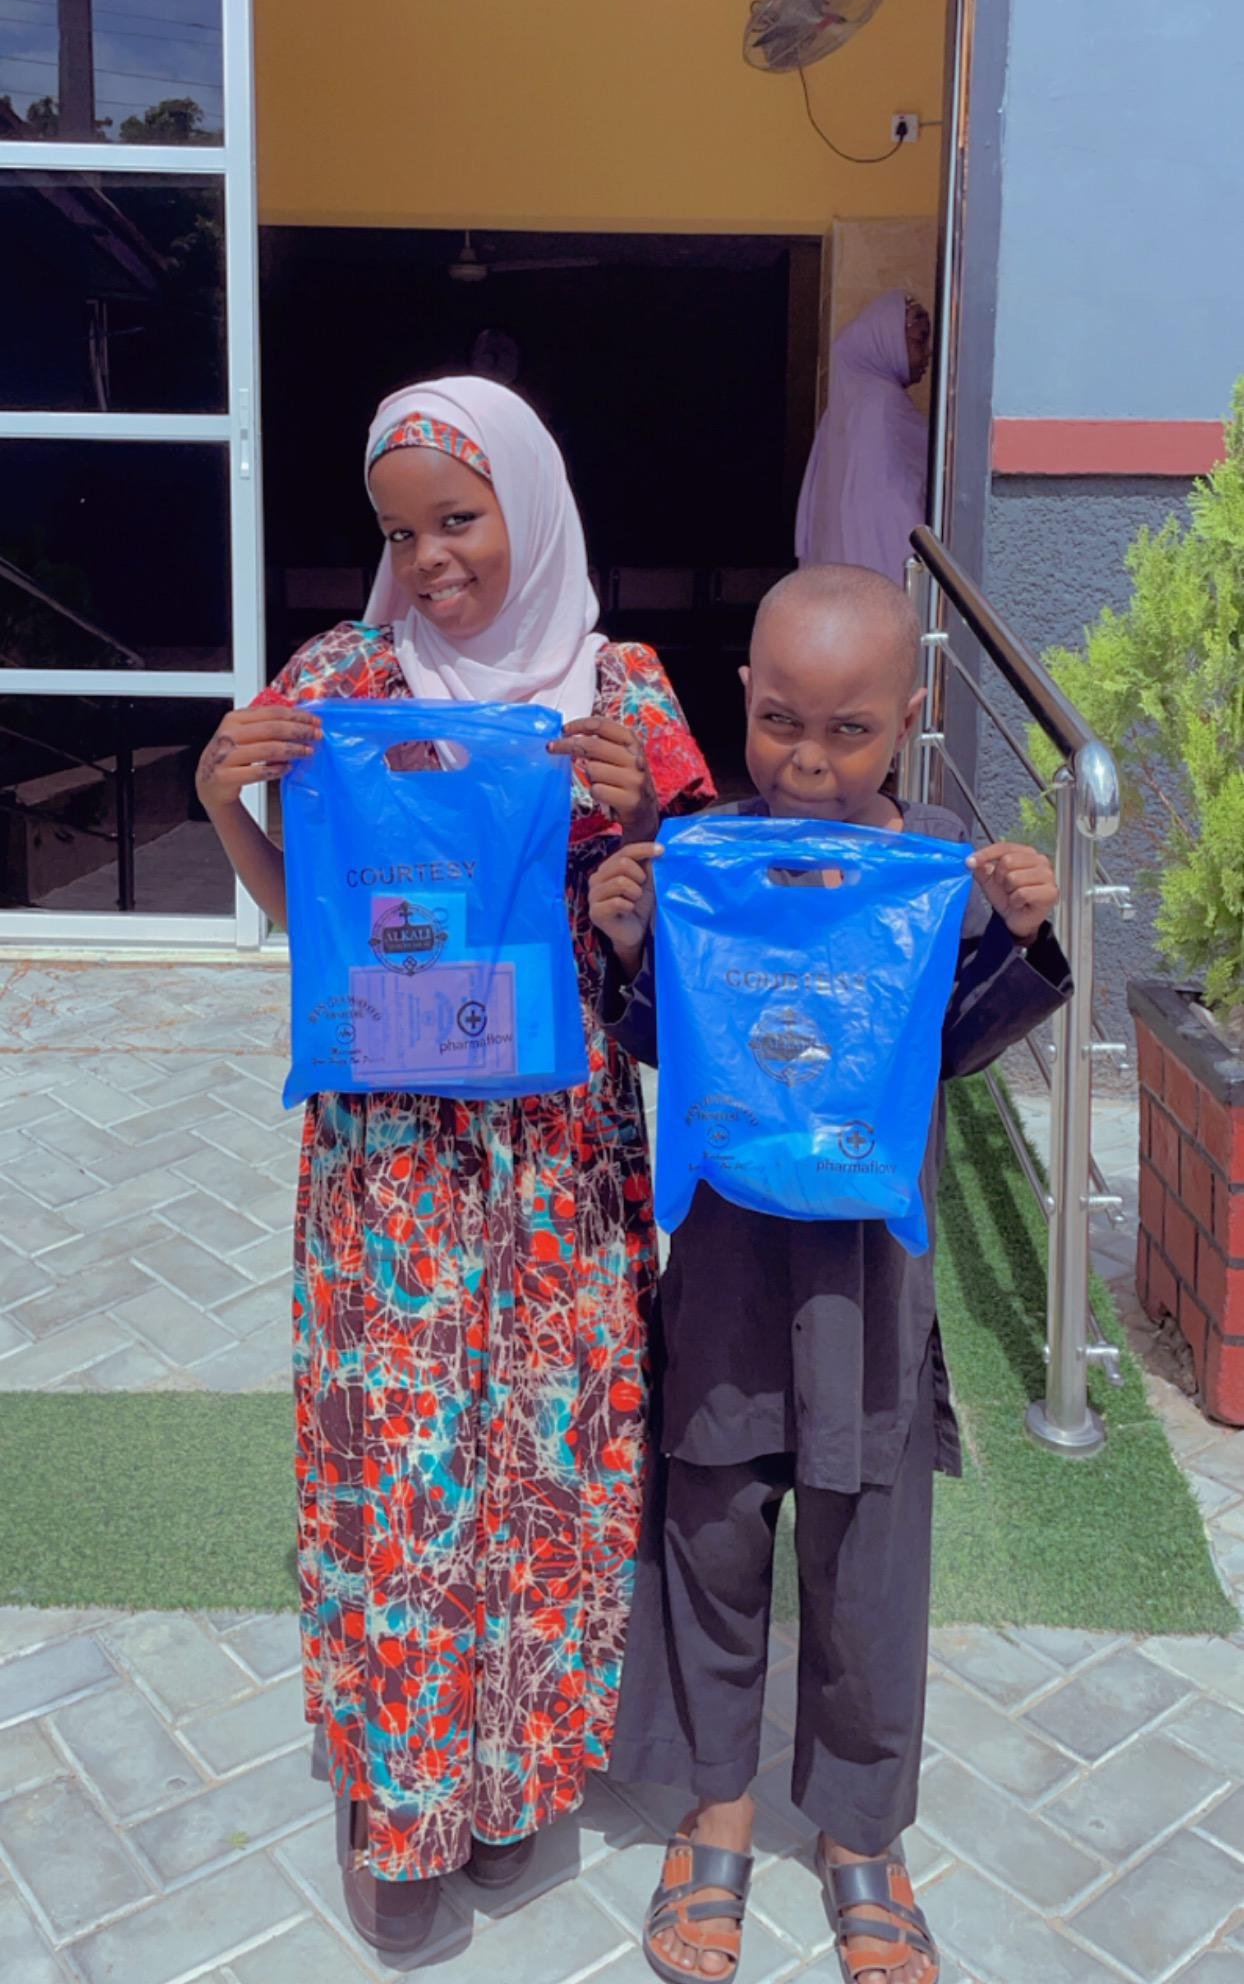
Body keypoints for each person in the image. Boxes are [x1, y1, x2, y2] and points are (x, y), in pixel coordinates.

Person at [195, 377, 713, 1958]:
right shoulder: (345, 680)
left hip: (557, 1162)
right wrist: (228, 801)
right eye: (399, 531)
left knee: (547, 1470)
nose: (428, 557)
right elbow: (310, 926)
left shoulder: (622, 693)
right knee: (402, 1477)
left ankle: (520, 1785)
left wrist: (649, 834)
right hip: (390, 1176)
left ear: (533, 509)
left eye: (459, 518)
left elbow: (701, 942)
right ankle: (405, 1808)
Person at [587, 564, 1069, 1984]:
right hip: (730, 1273)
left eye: (848, 732)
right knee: (714, 1534)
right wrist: (626, 939)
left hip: (868, 1289)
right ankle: (717, 1806)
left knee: (867, 1568)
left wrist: (1022, 937)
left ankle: (860, 1832)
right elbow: (665, 1039)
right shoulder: (709, 865)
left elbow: (962, 1048)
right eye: (782, 721)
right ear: (743, 699)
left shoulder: (935, 881)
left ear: (911, 725)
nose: (808, 760)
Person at [795, 291, 932, 585]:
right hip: (880, 563)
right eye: (920, 340)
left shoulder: (845, 405)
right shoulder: (883, 402)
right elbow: (901, 497)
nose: (928, 354)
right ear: (887, 340)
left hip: (841, 570)